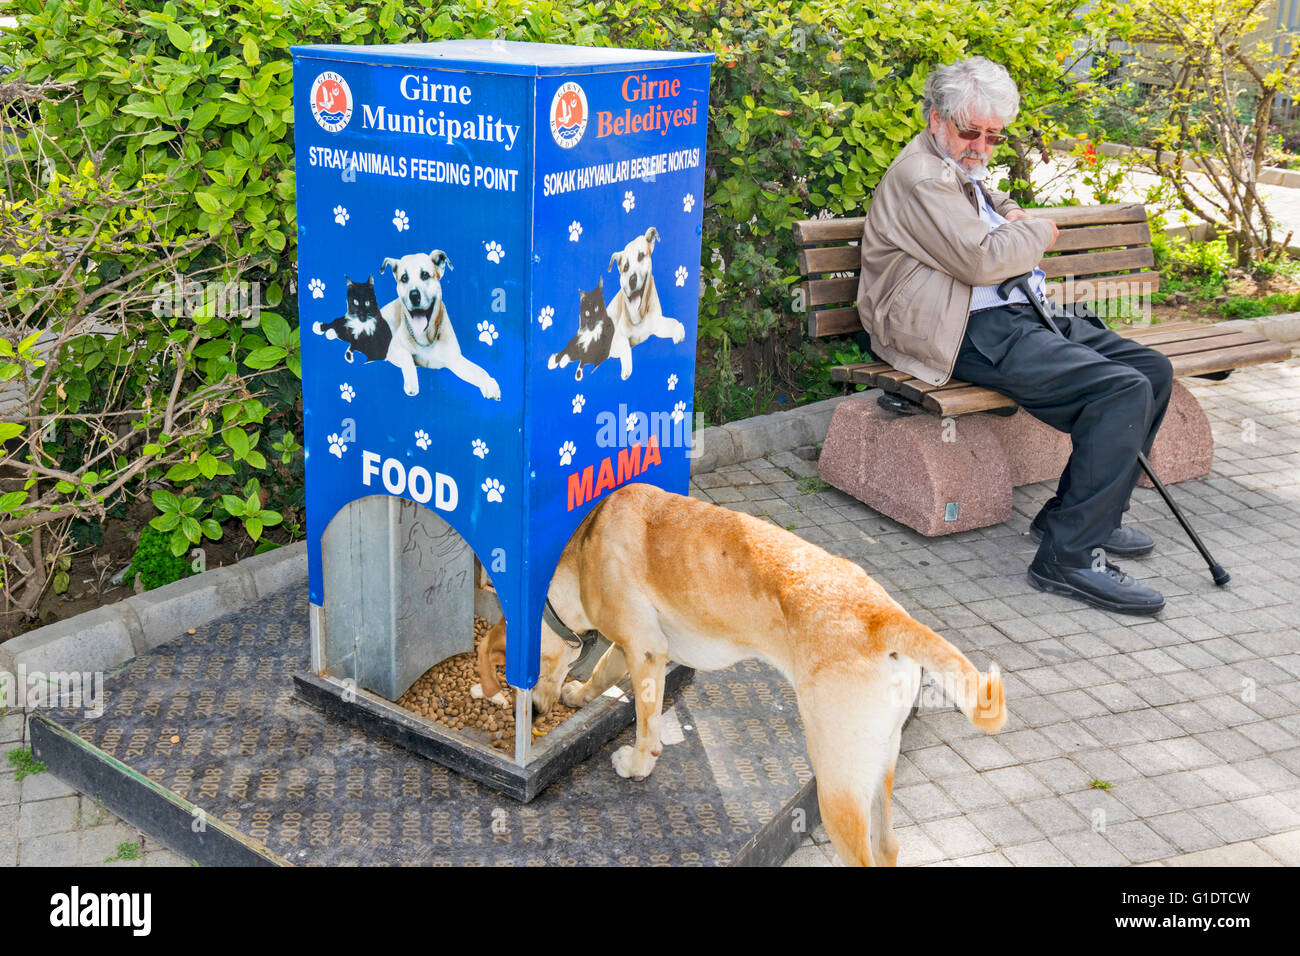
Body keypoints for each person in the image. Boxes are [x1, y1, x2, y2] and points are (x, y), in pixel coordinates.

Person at [855, 56, 1173, 616]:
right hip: (955, 329)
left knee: (1150, 371)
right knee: (1118, 390)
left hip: (1007, 310)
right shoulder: (922, 175)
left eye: (992, 136)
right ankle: (1068, 558)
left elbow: (990, 203)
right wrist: (1039, 234)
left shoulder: (954, 161)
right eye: (969, 131)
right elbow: (982, 258)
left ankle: (1073, 518)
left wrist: (1014, 217)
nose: (980, 145)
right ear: (936, 118)